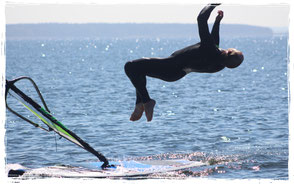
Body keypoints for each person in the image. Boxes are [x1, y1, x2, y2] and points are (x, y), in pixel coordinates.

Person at [124, 3, 244, 122]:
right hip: (175, 74)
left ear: (228, 52)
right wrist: (217, 22)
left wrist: (212, 4)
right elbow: (215, 43)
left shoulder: (210, 49)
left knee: (130, 66)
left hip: (169, 66)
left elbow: (201, 19)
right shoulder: (219, 65)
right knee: (139, 70)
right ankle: (140, 104)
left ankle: (146, 101)